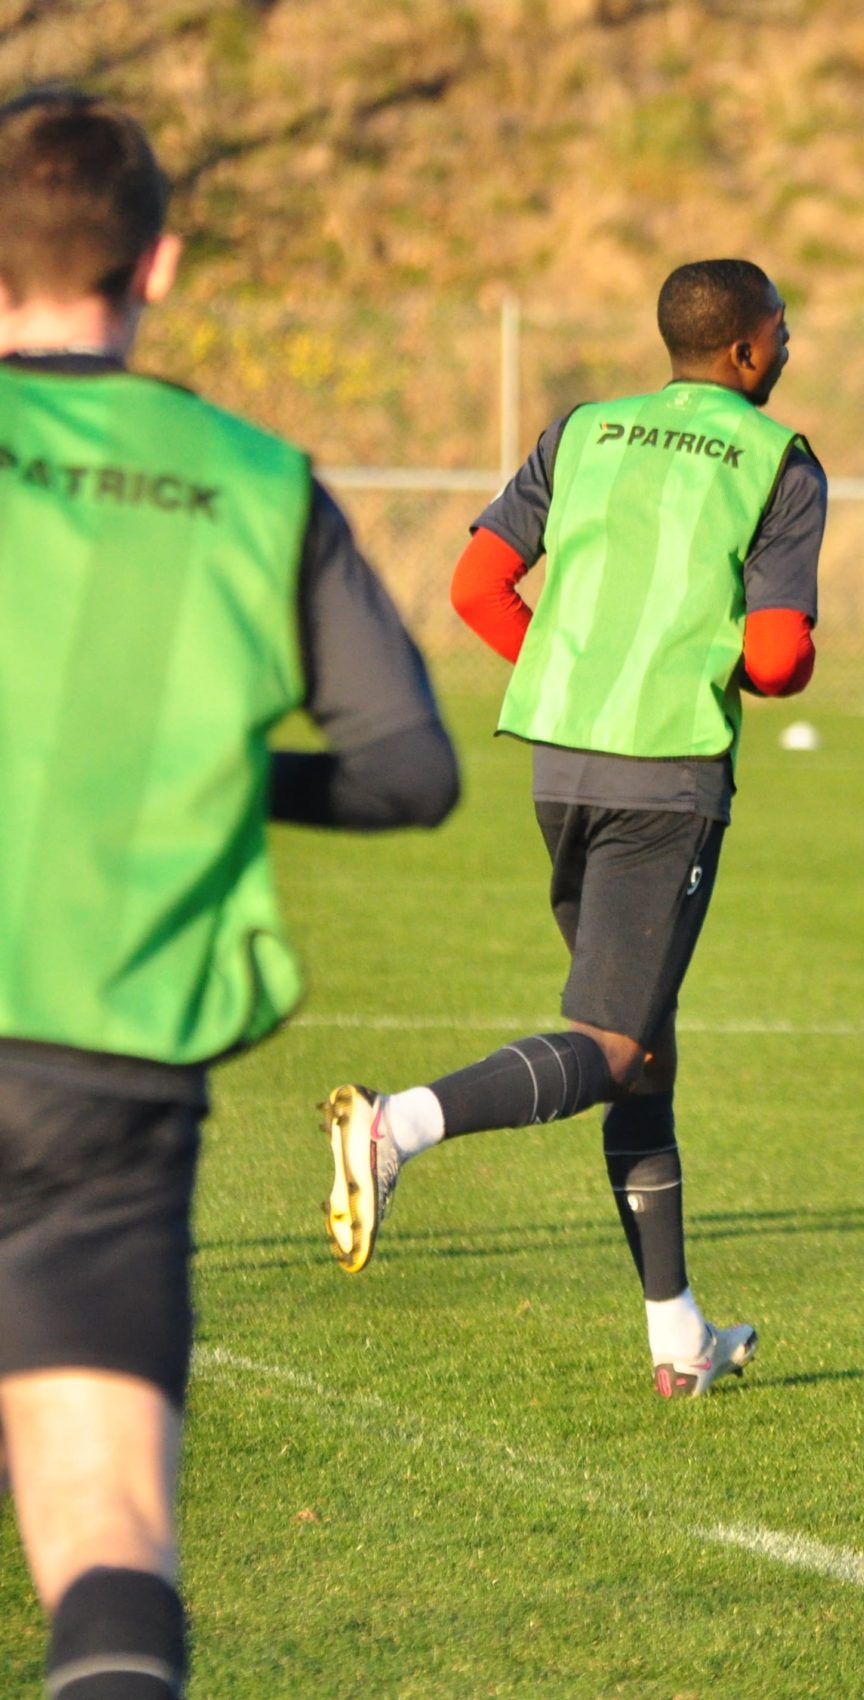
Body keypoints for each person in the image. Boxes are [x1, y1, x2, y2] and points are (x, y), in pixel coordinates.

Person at [0, 90, 458, 1700]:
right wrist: (186, 774)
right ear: (161, 264)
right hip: (109, 1064)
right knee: (109, 1531)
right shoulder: (253, 476)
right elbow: (411, 773)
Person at [320, 258, 825, 1399]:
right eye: (781, 334)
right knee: (607, 1042)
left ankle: (676, 1328)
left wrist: (572, 673)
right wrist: (767, 668)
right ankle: (397, 1123)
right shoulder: (777, 459)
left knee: (645, 1042)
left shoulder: (583, 430)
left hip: (561, 765)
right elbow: (778, 653)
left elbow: (475, 585)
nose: (787, 350)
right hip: (665, 779)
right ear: (747, 352)